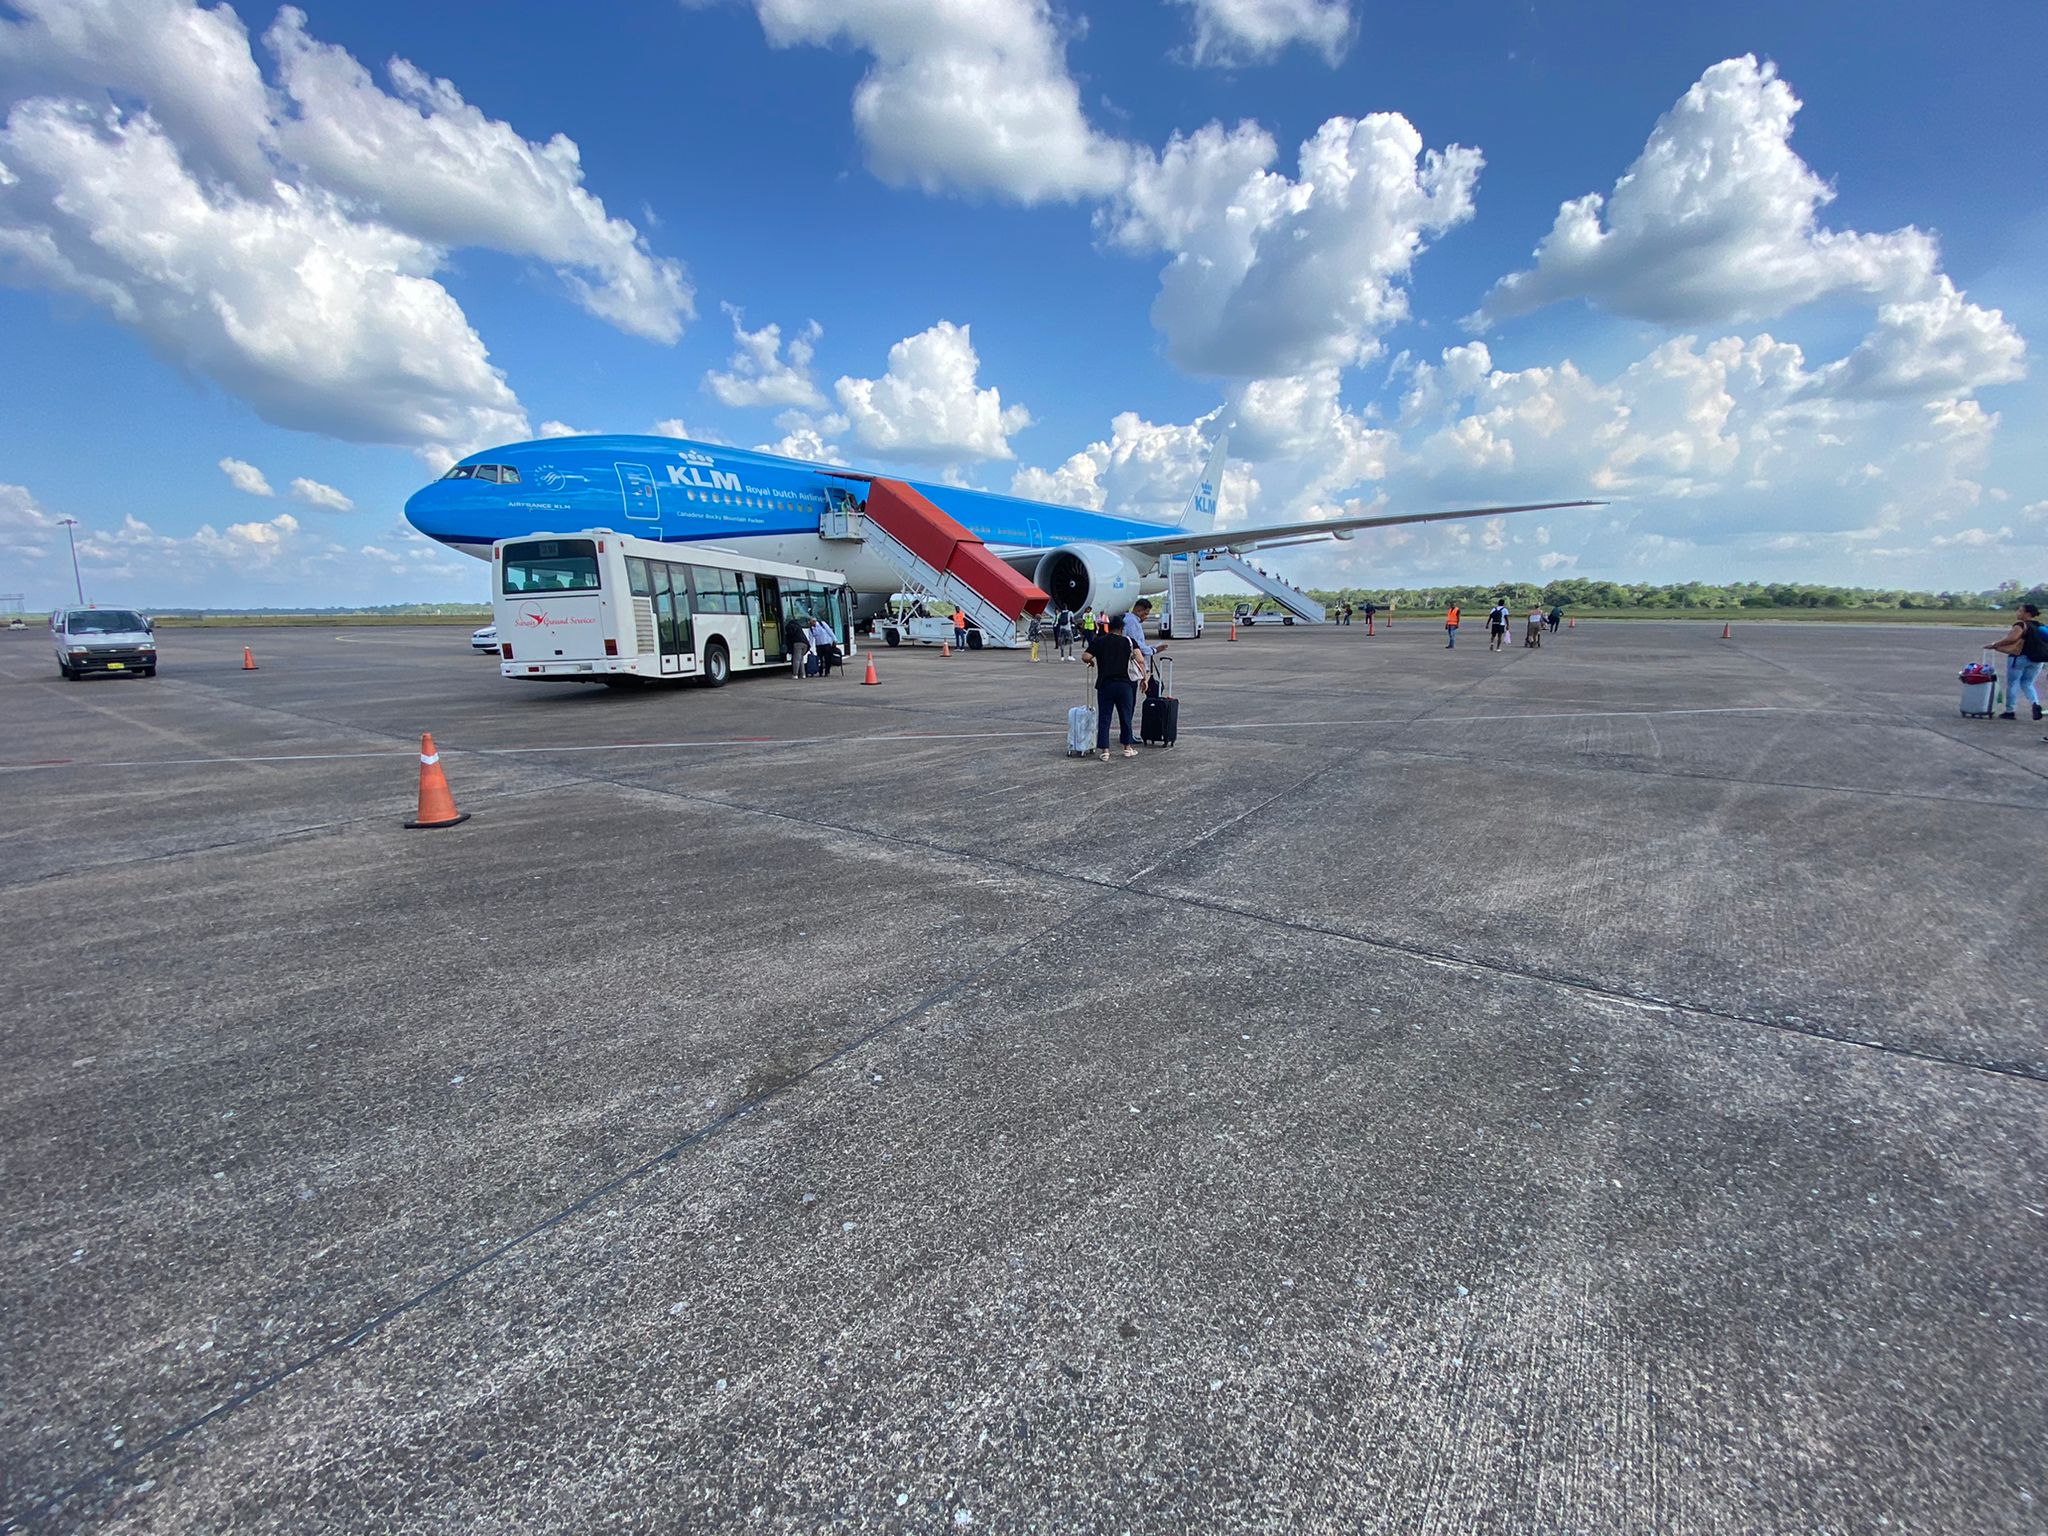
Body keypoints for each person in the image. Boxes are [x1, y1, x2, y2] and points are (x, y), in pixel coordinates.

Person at [1083, 616, 1142, 760]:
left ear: (1109, 627)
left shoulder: (1100, 641)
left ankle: (1105, 751)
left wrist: (1091, 662)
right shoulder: (1128, 642)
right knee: (1125, 716)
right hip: (1125, 684)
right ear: (1122, 629)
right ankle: (1127, 748)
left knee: (1104, 717)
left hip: (1105, 684)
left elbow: (1085, 656)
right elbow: (1140, 659)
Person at [1991, 602, 2046, 721]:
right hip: (2037, 660)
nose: (2018, 613)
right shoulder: (2040, 626)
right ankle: (2035, 704)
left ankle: (2010, 711)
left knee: (2013, 684)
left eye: (2020, 611)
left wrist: (1995, 645)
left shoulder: (2021, 625)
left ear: (2027, 614)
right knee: (2027, 683)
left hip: (2019, 658)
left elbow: (2012, 638)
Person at [1122, 598, 1165, 666]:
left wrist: (1151, 647)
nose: (1146, 616)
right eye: (1145, 613)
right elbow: (1135, 643)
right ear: (1138, 610)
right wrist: (1153, 650)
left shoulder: (1134, 621)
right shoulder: (1131, 621)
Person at [788, 612, 813, 679]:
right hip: (805, 644)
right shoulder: (798, 626)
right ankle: (803, 675)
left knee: (796, 659)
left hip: (798, 644)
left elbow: (789, 637)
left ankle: (795, 674)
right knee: (801, 659)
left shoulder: (790, 626)